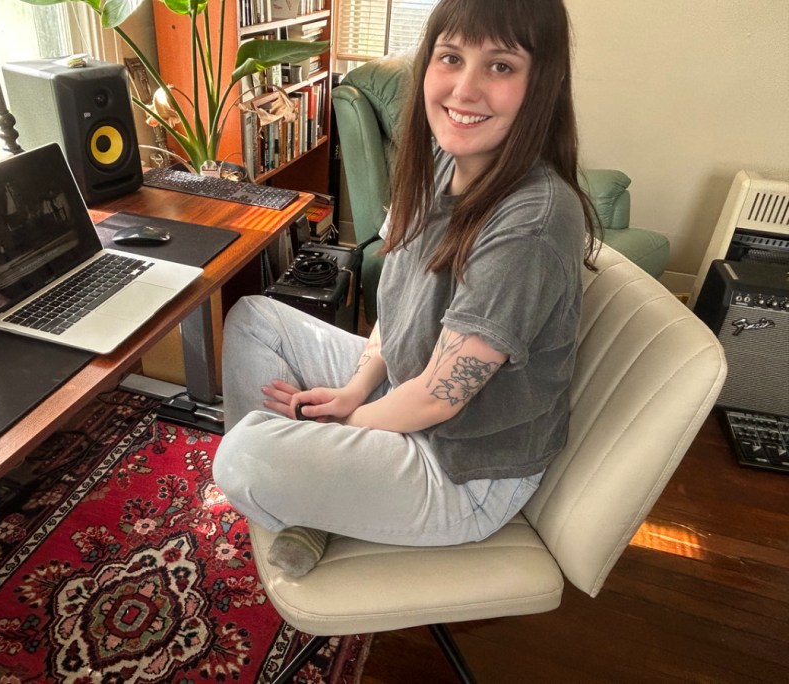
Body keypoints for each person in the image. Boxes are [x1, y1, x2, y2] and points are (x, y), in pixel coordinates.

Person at [212, 0, 599, 577]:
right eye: (451, 57)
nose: (464, 90)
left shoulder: (533, 222)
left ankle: (302, 491)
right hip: (405, 391)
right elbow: (396, 308)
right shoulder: (444, 161)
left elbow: (441, 398)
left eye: (500, 66)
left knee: (244, 456)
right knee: (252, 319)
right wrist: (353, 392)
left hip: (463, 470)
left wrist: (330, 428)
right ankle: (308, 499)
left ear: (543, 82)